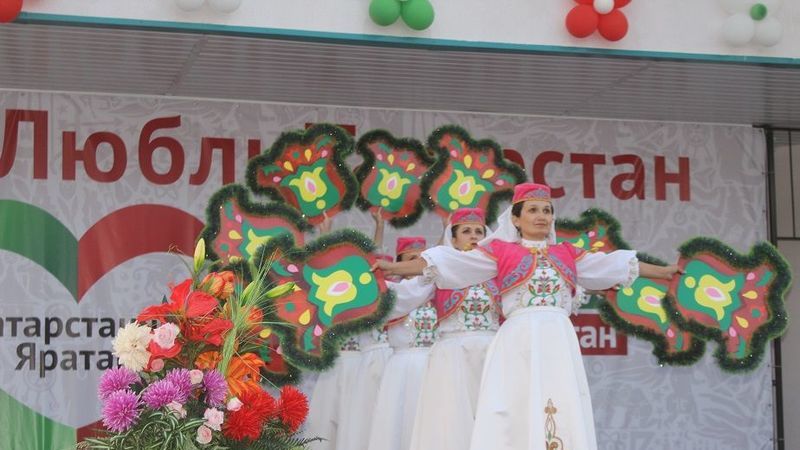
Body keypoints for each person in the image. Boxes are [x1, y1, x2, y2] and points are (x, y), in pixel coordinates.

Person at [374, 183, 680, 450]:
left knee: (560, 399)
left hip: (557, 337)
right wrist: (393, 268)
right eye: (533, 210)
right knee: (516, 405)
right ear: (516, 219)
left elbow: (616, 265)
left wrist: (665, 272)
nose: (541, 216)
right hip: (519, 337)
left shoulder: (567, 253)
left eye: (547, 210)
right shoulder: (500, 252)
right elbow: (445, 263)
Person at [367, 237, 438, 450]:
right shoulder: (391, 295)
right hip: (402, 367)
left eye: (421, 258)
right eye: (411, 259)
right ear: (399, 264)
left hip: (435, 364)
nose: (417, 263)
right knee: (398, 426)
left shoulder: (437, 289)